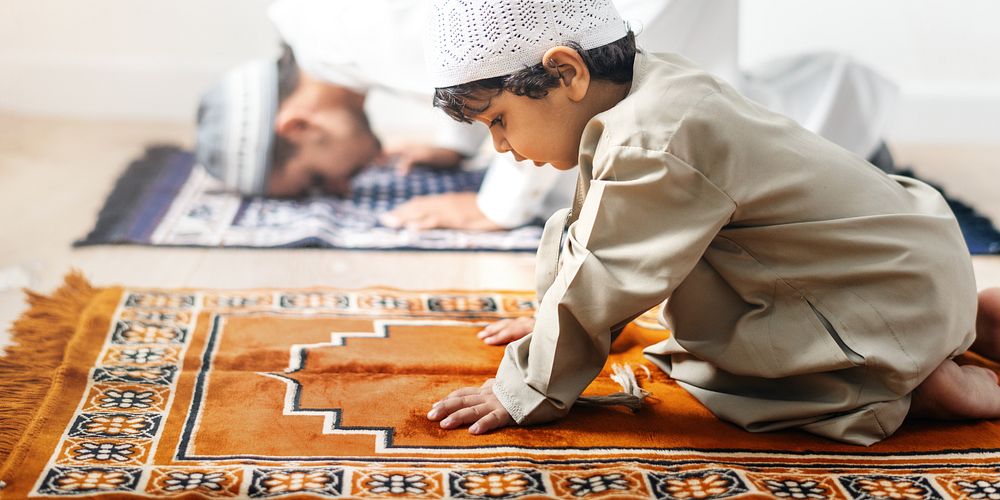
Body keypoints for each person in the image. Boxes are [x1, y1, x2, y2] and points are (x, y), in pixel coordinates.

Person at [421, 0, 1000, 445]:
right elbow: (599, 230)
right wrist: (556, 321)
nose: (499, 146)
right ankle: (952, 321)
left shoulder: (653, 141)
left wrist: (526, 387)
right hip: (905, 257)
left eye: (499, 119)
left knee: (726, 375)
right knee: (638, 275)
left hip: (880, 298)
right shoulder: (653, 84)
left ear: (568, 73)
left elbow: (606, 272)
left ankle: (913, 383)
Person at [195, 0, 898, 231]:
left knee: (681, 141)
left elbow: (509, 60)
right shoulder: (313, 23)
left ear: (299, 127)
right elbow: (468, 41)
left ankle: (847, 131)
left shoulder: (349, 40)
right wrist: (457, 139)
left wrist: (496, 204)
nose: (342, 190)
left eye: (317, 181)